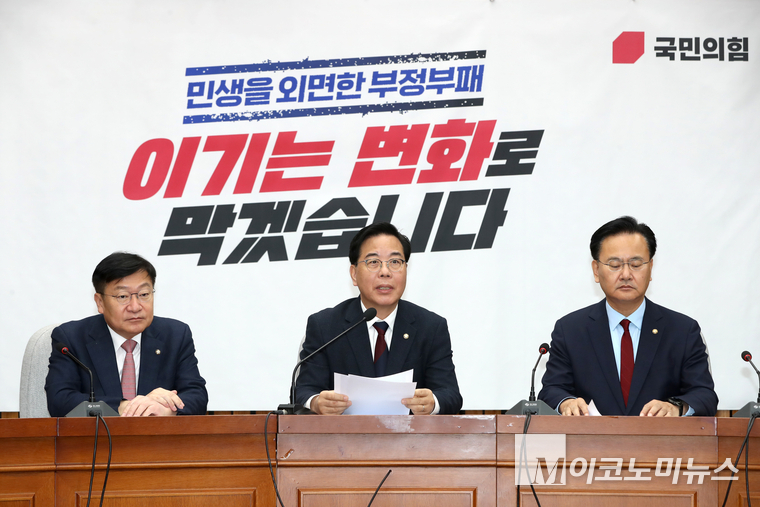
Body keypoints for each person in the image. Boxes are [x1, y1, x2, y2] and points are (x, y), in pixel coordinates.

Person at [538, 216, 718, 417]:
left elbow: (704, 395)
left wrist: (676, 407)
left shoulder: (682, 330)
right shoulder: (570, 330)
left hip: (660, 438)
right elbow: (551, 390)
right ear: (596, 270)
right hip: (591, 438)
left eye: (636, 264)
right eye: (615, 265)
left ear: (650, 268)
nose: (625, 274)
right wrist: (566, 403)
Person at [294, 222, 462, 415]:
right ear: (354, 274)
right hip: (342, 434)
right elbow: (303, 390)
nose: (385, 272)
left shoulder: (431, 327)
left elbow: (450, 394)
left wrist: (432, 403)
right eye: (373, 262)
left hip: (410, 434)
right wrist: (316, 402)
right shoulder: (325, 326)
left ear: (406, 270)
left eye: (395, 262)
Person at [45, 252, 208, 417]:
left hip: (158, 434)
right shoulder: (71, 338)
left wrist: (165, 410)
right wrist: (125, 406)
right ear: (100, 302)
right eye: (123, 296)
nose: (135, 307)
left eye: (144, 295)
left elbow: (197, 396)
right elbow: (60, 400)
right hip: (97, 434)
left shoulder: (175, 335)